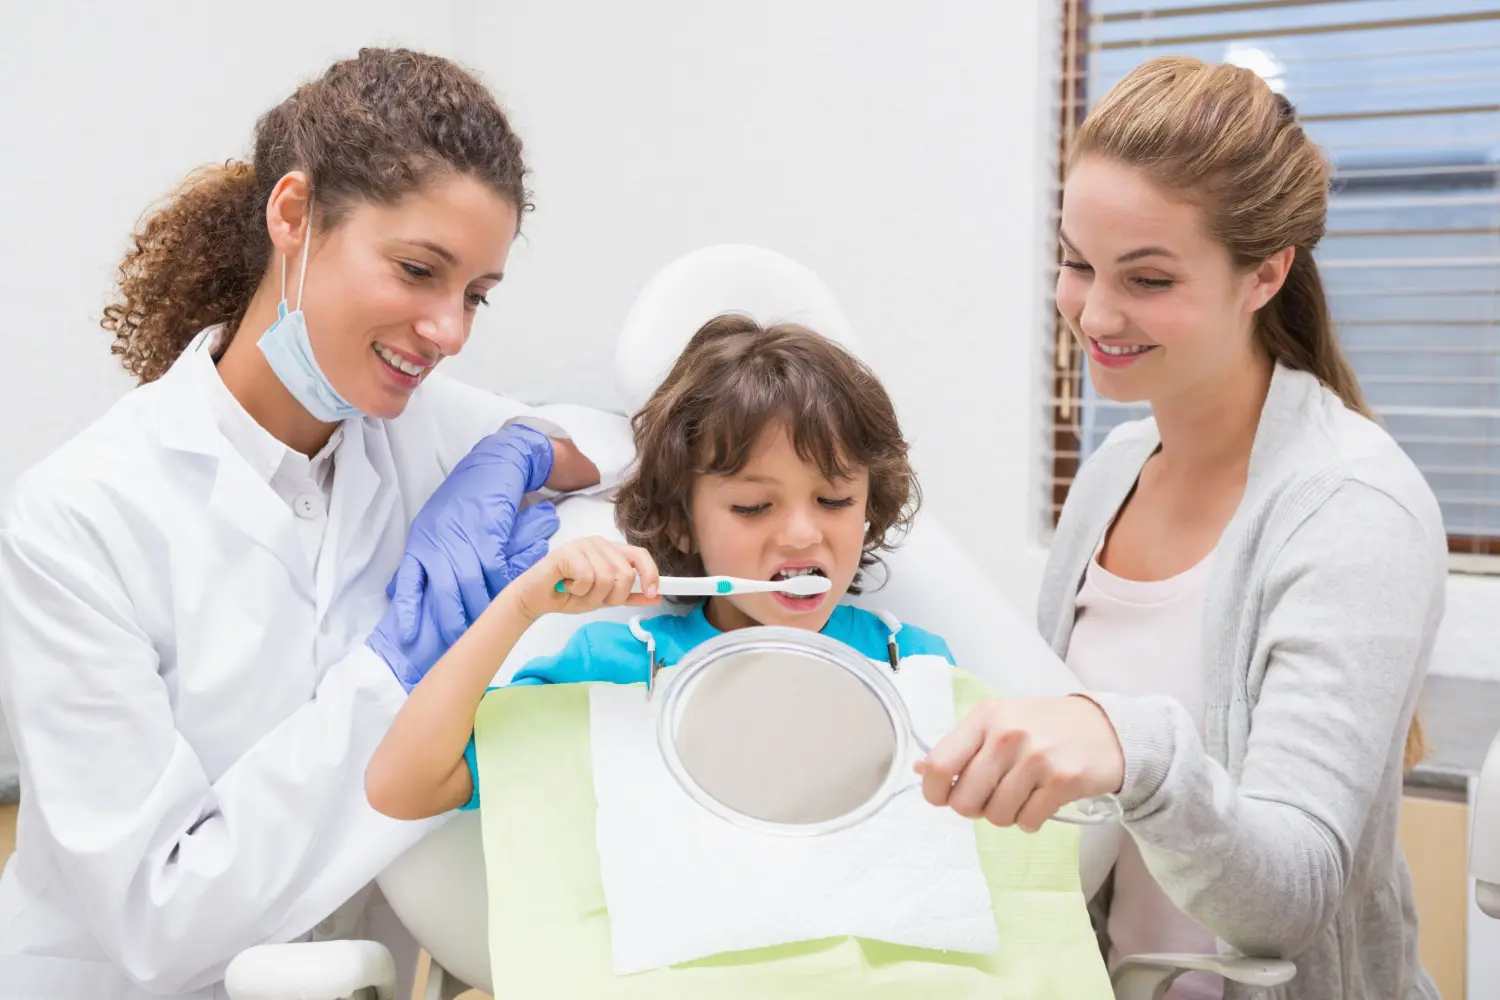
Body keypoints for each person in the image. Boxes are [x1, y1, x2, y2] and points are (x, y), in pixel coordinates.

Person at [0, 49, 631, 999]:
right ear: (293, 216)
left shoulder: (419, 433)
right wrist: (396, 676)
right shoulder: (80, 520)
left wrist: (524, 456)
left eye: (475, 295)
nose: (449, 330)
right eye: (419, 270)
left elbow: (629, 444)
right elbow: (157, 918)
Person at [917, 57, 1444, 999]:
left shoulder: (1354, 510)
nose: (1098, 311)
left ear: (1265, 274)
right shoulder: (1115, 472)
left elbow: (1293, 895)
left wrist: (1133, 748)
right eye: (1078, 263)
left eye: (1149, 279)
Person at [363, 313, 957, 818]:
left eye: (834, 501)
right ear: (679, 520)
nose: (803, 533)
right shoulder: (616, 669)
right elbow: (404, 788)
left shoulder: (915, 667)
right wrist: (519, 606)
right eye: (753, 506)